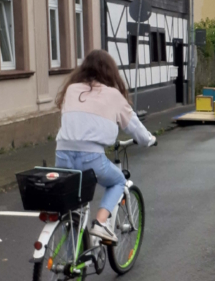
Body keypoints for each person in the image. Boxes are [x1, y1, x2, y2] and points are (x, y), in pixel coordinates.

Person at [55, 50, 156, 242]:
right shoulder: (113, 95)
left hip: (62, 154)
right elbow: (134, 126)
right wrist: (149, 140)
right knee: (118, 181)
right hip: (90, 157)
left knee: (70, 210)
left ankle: (71, 265)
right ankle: (101, 223)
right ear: (110, 72)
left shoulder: (71, 89)